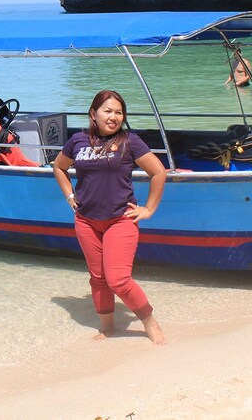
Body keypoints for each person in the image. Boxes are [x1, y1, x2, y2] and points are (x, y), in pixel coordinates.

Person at [52, 90, 167, 345]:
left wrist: (148, 209)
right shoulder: (78, 141)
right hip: (86, 220)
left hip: (120, 219)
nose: (113, 117)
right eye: (107, 111)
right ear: (93, 114)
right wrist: (70, 196)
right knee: (98, 278)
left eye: (118, 112)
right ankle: (108, 327)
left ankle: (149, 321)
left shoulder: (130, 141)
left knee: (118, 279)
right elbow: (58, 167)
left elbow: (158, 173)